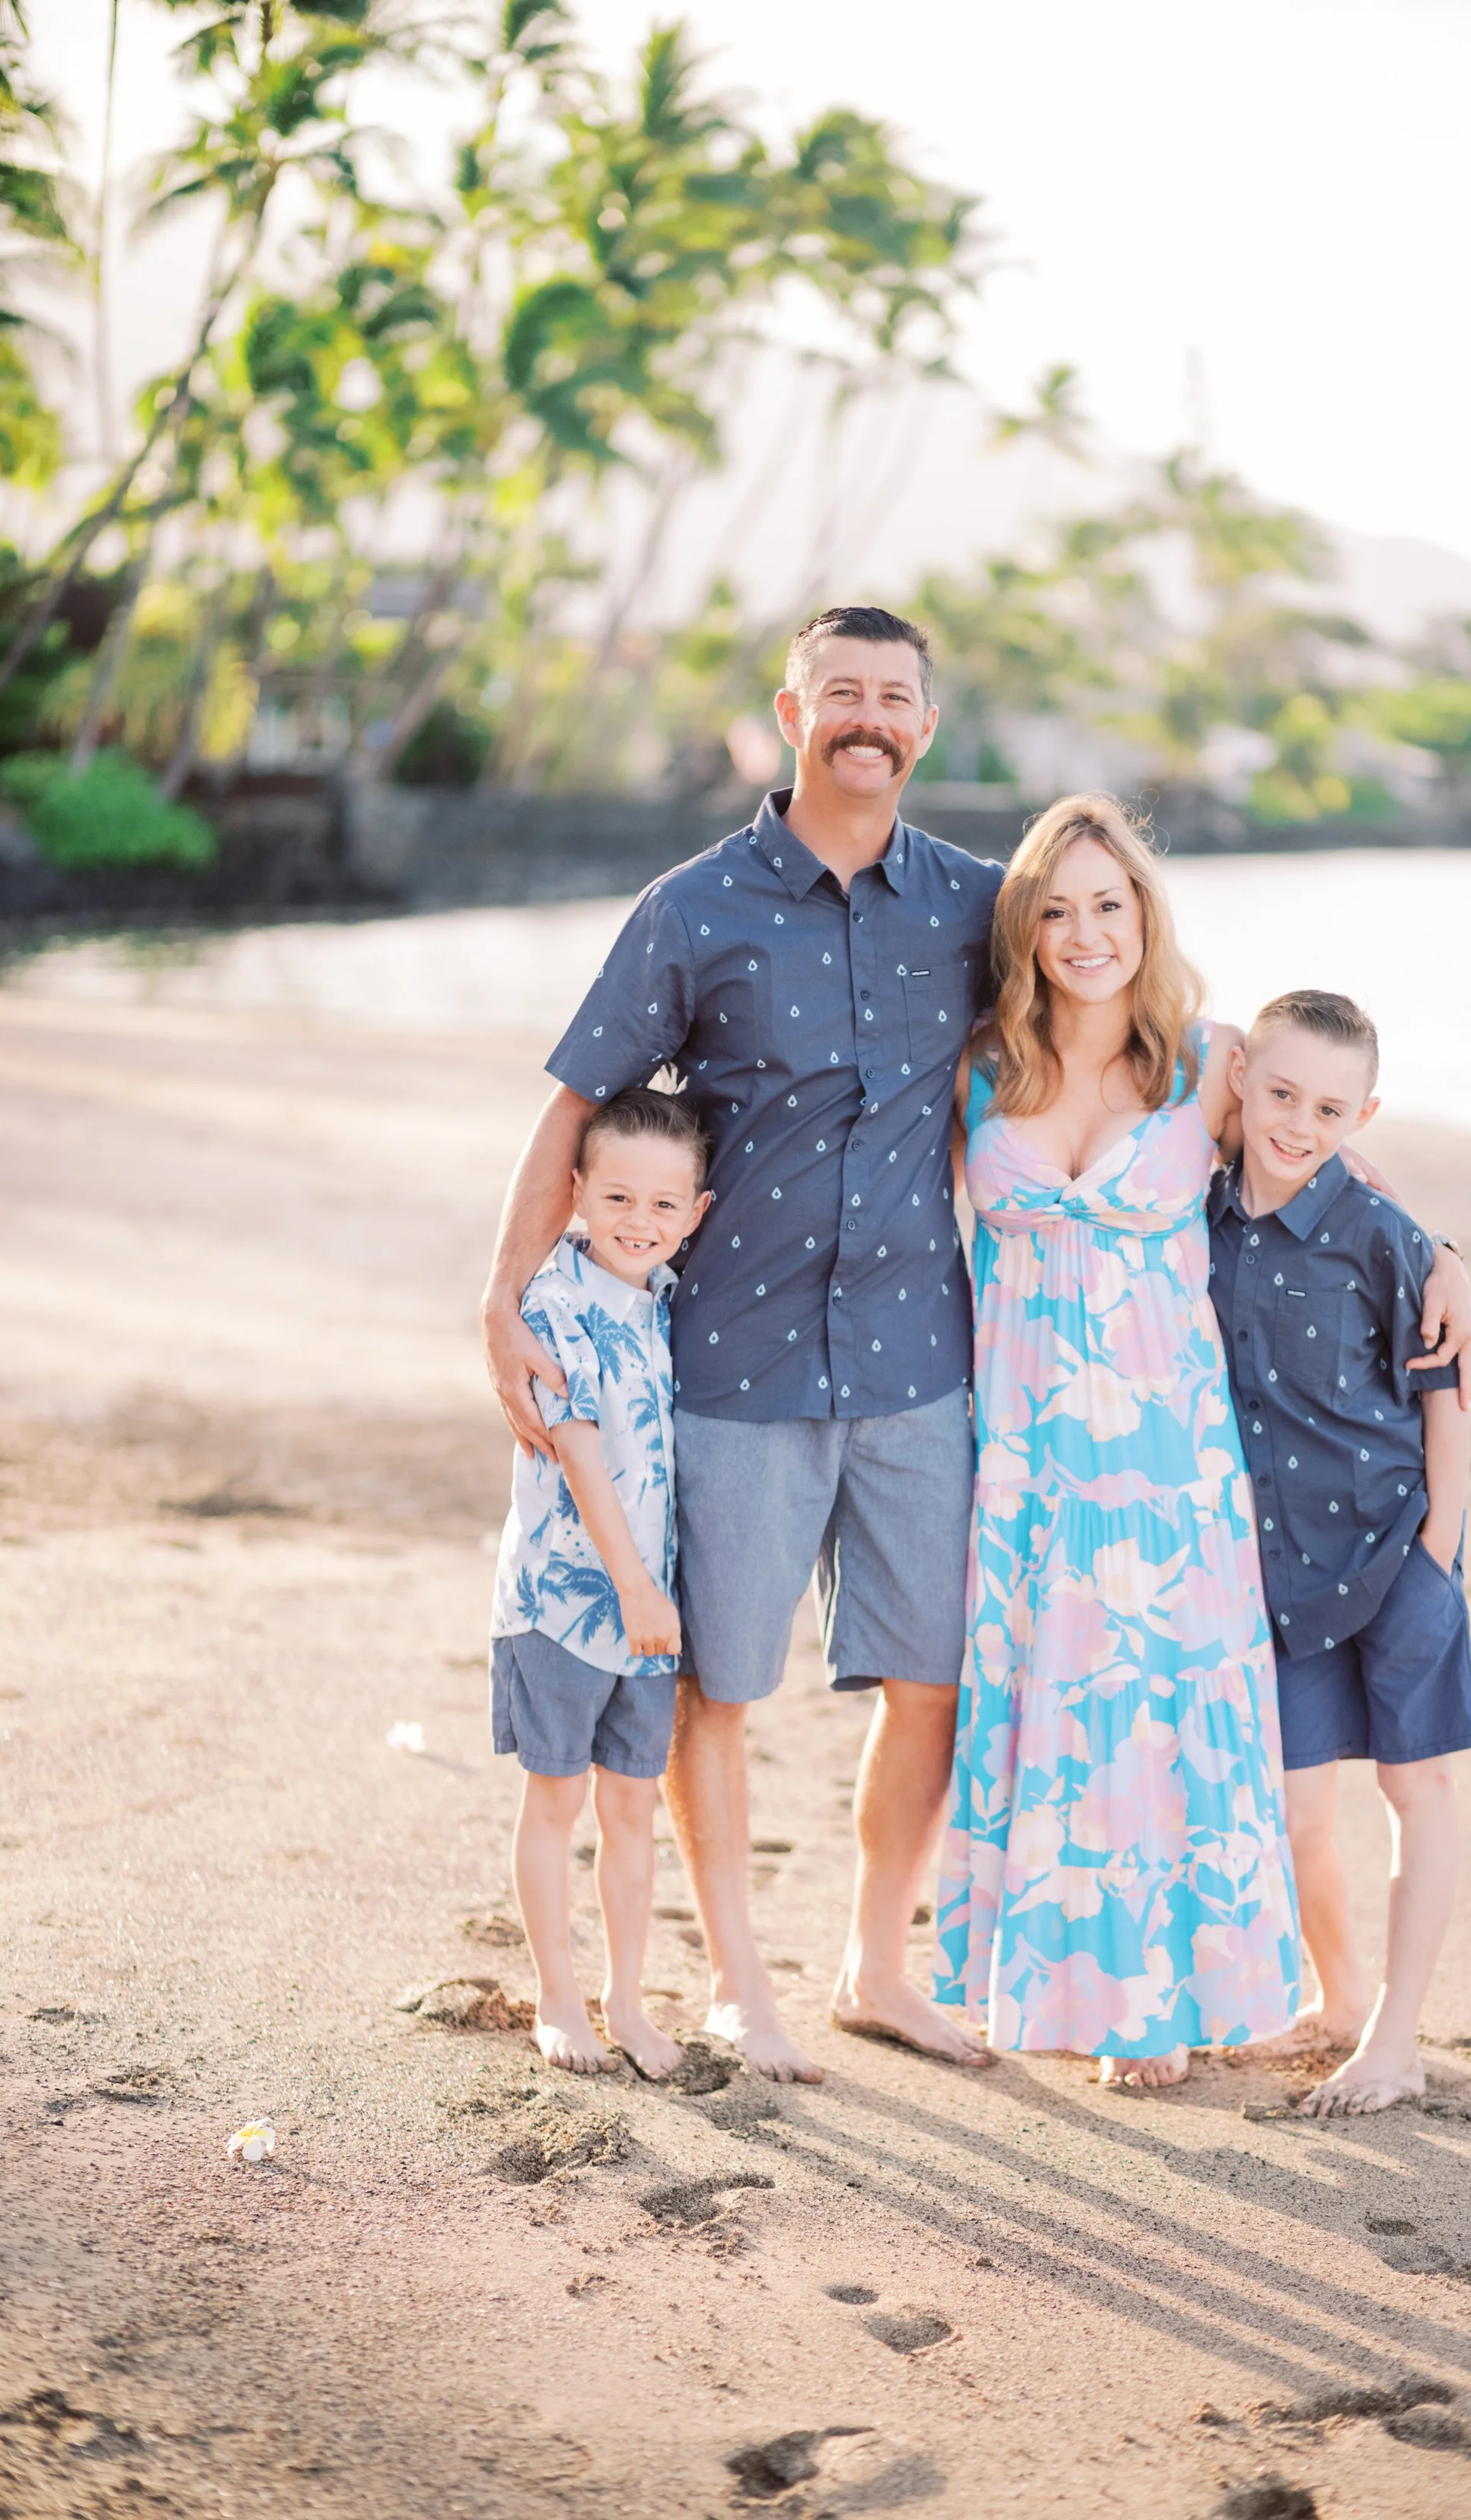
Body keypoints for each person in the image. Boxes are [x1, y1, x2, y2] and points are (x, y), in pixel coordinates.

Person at [481, 605, 1002, 2082]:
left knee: (933, 1678)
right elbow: (574, 1108)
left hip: (916, 1356)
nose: (868, 717)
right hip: (733, 1366)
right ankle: (735, 1986)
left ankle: (876, 1967)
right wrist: (498, 1300)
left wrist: (1419, 1241)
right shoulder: (693, 909)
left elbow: (1128, 1011)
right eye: (841, 691)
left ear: (923, 725)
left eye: (893, 697)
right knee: (717, 1683)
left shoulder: (975, 902)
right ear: (790, 713)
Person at [934, 795, 1304, 2089]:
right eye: (1058, 908)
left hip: (1170, 1454)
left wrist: (1449, 1263)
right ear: (1025, 929)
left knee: (1164, 1702)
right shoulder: (983, 1065)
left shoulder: (1210, 1061)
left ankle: (1173, 1998)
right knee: (1052, 1697)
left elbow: (1323, 1167)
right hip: (1028, 1451)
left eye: (1110, 902)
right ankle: (1073, 1988)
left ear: (1145, 912)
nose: (1087, 932)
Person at [1209, 990, 1471, 2115]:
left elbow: (1448, 1405)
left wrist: (1434, 1562)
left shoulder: (1385, 1237)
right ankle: (1335, 1997)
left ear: (1363, 1112)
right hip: (1277, 1575)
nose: (1299, 1125)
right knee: (1296, 1813)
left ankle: (1395, 2040)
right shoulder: (1199, 1217)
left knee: (1414, 1790)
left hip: (1394, 1558)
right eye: (1279, 1095)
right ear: (1243, 1086)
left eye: (1329, 1108)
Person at [489, 1083, 712, 2080]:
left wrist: (652, 1592)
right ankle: (557, 1999)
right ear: (577, 1193)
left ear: (696, 1214)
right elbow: (578, 1452)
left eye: (665, 1206)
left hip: (645, 1606)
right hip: (566, 1603)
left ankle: (626, 2000)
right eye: (618, 1198)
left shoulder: (663, 1304)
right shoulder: (555, 1300)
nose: (640, 1223)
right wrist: (633, 1587)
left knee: (633, 1809)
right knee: (557, 1801)